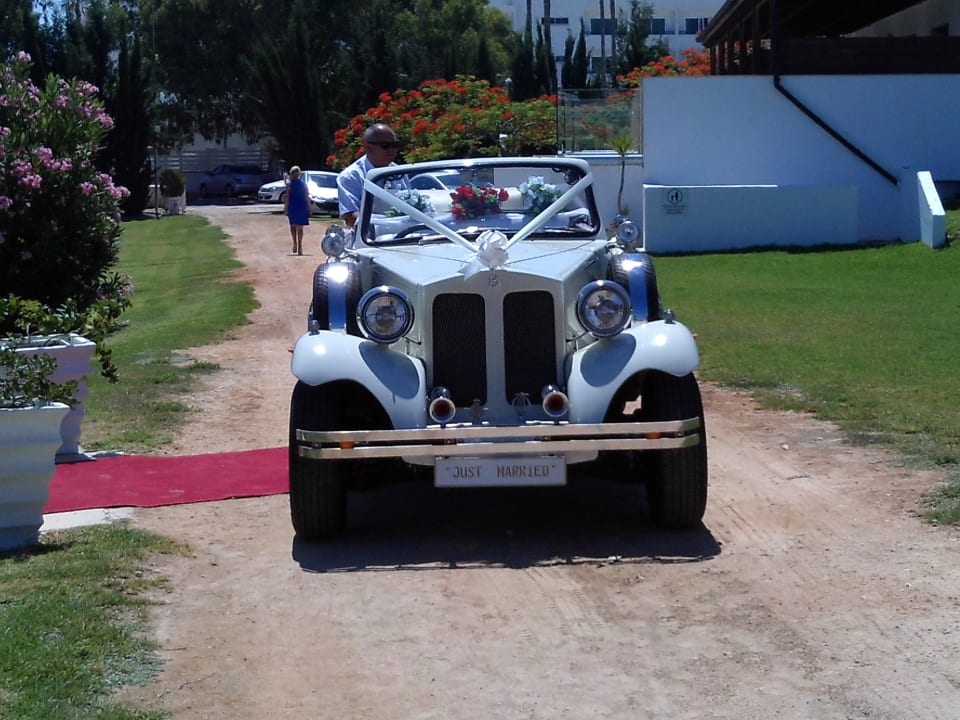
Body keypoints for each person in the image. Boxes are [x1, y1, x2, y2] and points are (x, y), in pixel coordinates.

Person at [337, 123, 402, 228]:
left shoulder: (400, 172)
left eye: (394, 145)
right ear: (368, 147)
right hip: (367, 236)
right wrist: (382, 227)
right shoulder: (351, 176)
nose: (391, 150)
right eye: (385, 145)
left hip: (402, 235)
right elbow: (350, 216)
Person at [284, 165, 310, 255]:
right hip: (297, 206)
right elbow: (288, 197)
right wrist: (309, 207)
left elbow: (306, 196)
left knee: (296, 227)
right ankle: (297, 244)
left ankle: (298, 245)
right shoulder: (293, 184)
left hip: (297, 206)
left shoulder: (299, 184)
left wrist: (286, 208)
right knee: (296, 227)